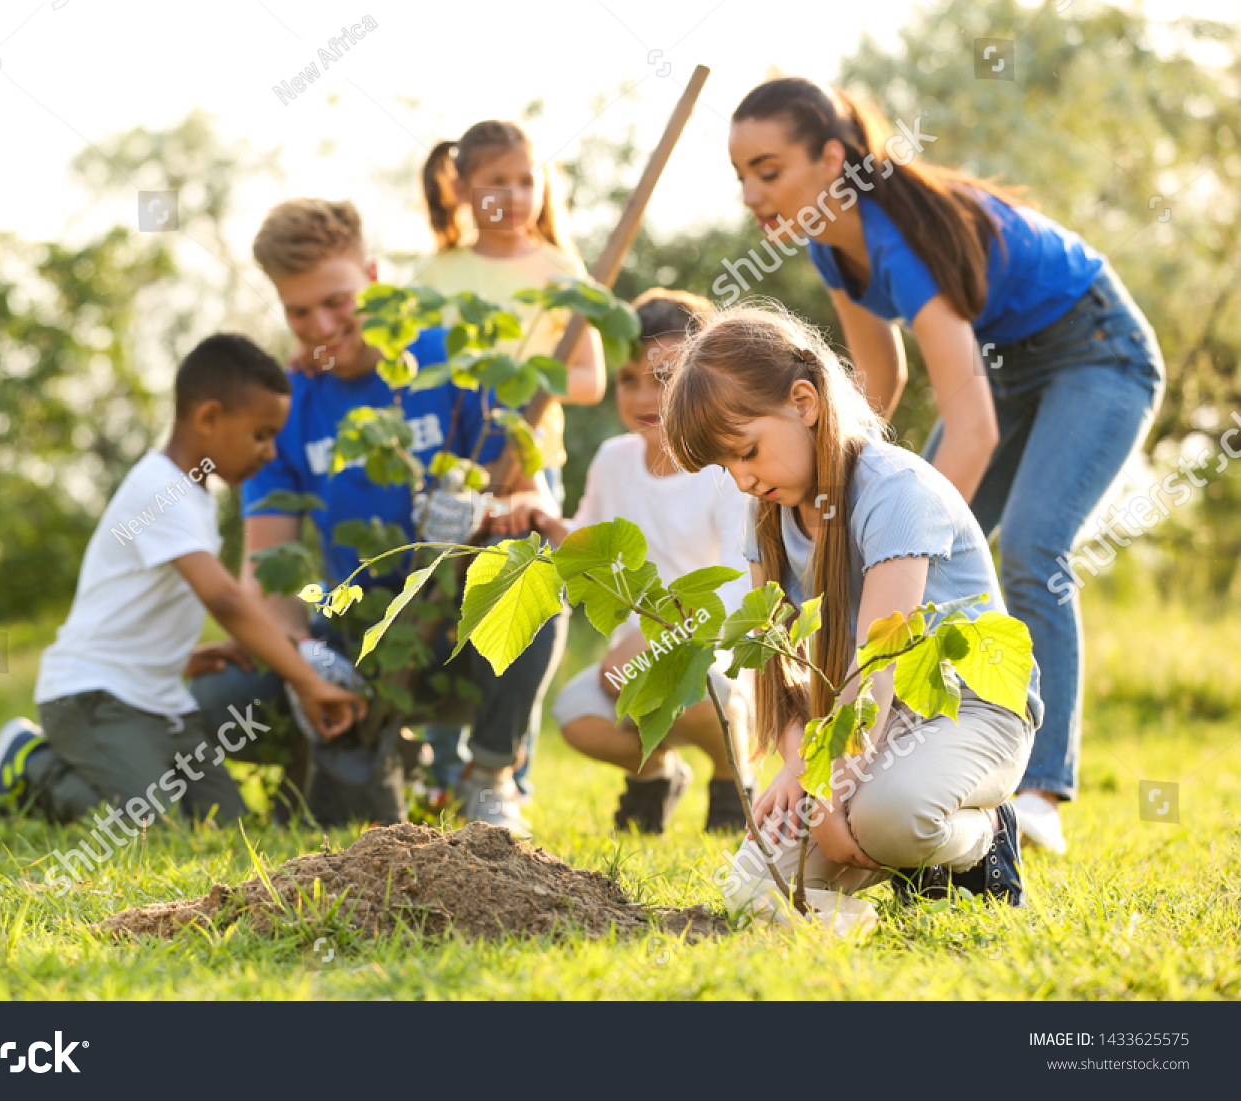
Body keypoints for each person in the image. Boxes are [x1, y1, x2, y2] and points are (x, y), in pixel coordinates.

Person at [725, 78, 1165, 855]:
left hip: (1095, 350)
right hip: (1009, 368)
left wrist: (890, 536)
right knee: (904, 551)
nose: (753, 194)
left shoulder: (901, 238)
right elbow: (872, 391)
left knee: (1032, 544)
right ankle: (922, 751)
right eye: (742, 177)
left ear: (833, 159)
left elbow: (970, 429)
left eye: (769, 169)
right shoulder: (834, 245)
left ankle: (1038, 794)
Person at [186, 198, 564, 837]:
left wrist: (486, 509)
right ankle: (332, 757)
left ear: (374, 277)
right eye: (299, 312)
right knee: (217, 703)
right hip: (351, 640)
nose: (322, 325)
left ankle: (489, 776)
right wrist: (304, 663)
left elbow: (534, 507)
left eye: (337, 301)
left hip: (454, 636)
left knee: (529, 573)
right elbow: (269, 573)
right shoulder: (287, 404)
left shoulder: (458, 362)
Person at [662, 302, 1045, 909]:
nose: (741, 480)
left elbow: (880, 662)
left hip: (966, 707)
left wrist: (824, 786)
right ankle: (895, 871)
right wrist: (807, 783)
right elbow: (779, 676)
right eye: (726, 464)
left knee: (888, 819)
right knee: (752, 896)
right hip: (854, 724)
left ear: (804, 403)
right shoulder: (766, 514)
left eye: (748, 451)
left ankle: (985, 838)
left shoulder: (894, 491)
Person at [0, 334, 366, 829]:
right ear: (208, 418)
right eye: (261, 435)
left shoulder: (193, 495)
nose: (269, 453)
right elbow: (224, 598)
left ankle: (105, 772)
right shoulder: (162, 491)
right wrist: (306, 681)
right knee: (146, 824)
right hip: (93, 698)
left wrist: (185, 657)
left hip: (156, 702)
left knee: (224, 825)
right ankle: (30, 766)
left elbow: (143, 603)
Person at [496, 289, 757, 834]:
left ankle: (734, 775)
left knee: (684, 682)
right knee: (575, 715)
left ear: (703, 377)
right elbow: (586, 540)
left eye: (665, 378)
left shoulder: (724, 469)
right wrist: (539, 513)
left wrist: (665, 635)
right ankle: (656, 773)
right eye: (628, 379)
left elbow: (742, 581)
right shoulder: (615, 459)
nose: (644, 396)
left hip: (716, 649)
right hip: (635, 659)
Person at [412, 119, 607, 800]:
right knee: (444, 605)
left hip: (532, 474)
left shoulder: (558, 270)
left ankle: (503, 770)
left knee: (522, 601)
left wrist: (536, 384)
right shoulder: (439, 273)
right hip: (454, 472)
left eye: (527, 180)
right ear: (463, 188)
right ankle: (439, 762)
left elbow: (590, 380)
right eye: (497, 182)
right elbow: (413, 377)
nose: (516, 195)